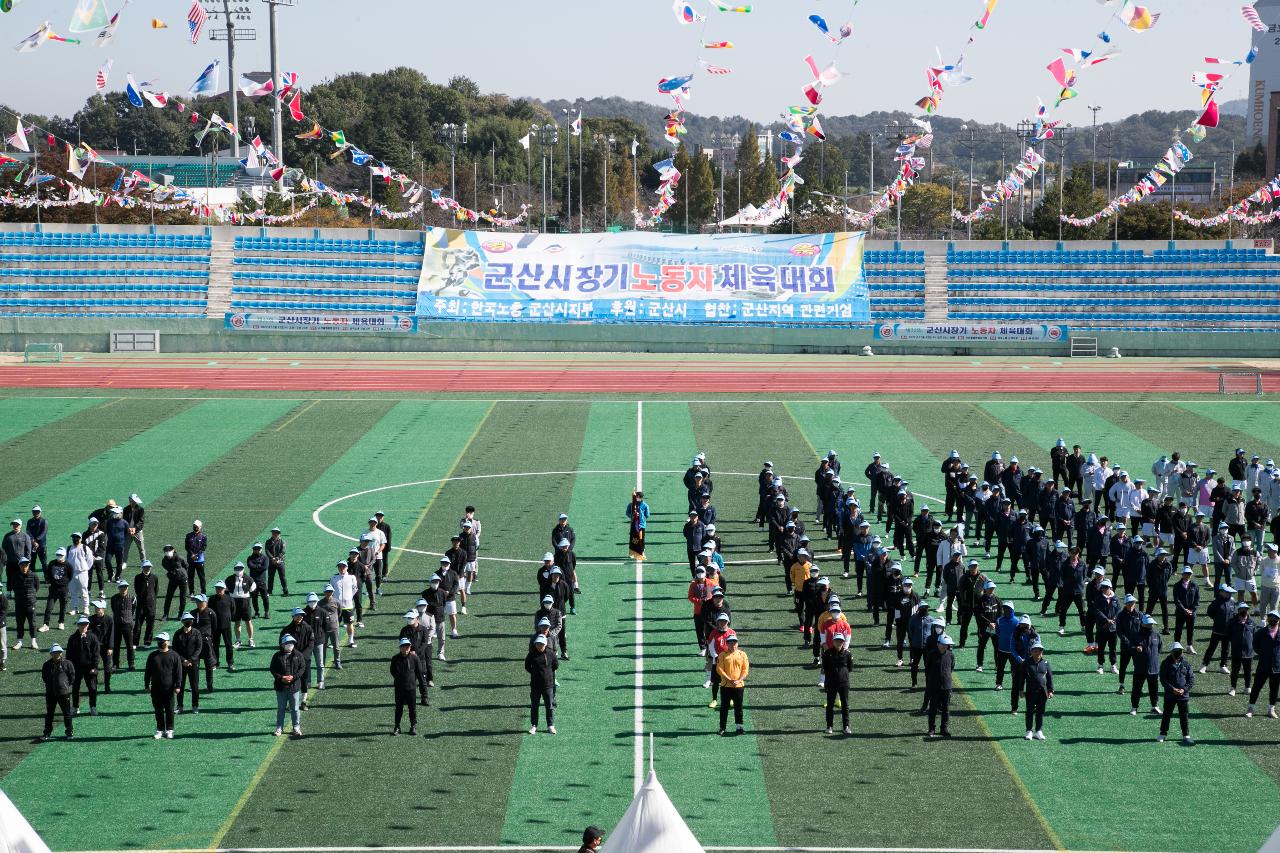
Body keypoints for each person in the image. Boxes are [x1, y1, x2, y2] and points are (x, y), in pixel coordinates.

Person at [144, 633, 181, 739]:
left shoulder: (174, 655)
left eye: (162, 640)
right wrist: (146, 685)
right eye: (159, 641)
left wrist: (178, 686)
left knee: (169, 710)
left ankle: (170, 729)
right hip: (156, 688)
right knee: (158, 710)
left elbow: (178, 672)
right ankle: (160, 729)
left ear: (167, 642)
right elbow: (148, 672)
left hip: (169, 689)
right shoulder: (152, 656)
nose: (160, 643)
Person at [1158, 642, 1195, 744]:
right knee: (1167, 714)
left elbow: (1191, 679)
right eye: (1176, 651)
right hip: (1170, 695)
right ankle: (1163, 733)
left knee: (1184, 716)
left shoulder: (1186, 664)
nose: (1179, 653)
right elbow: (1163, 679)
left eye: (1180, 651)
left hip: (1183, 696)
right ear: (1172, 652)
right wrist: (1172, 689)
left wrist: (1184, 689)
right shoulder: (1165, 663)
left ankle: (1186, 735)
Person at [270, 634, 305, 738]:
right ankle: (279, 728)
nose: (289, 645)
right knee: (281, 708)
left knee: (295, 709)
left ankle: (296, 727)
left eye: (291, 643)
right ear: (282, 645)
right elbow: (273, 669)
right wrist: (281, 678)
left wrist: (293, 677)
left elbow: (302, 668)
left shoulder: (298, 655)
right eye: (287, 643)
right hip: (281, 687)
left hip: (294, 687)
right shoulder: (277, 656)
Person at [1247, 610, 1280, 719]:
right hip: (1263, 665)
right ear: (1268, 618)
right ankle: (1250, 708)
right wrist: (1262, 653)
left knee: (1274, 689)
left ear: (1278, 620)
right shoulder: (1261, 632)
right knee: (1256, 687)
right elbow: (1255, 645)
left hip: (1277, 667)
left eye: (1275, 618)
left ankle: (1271, 710)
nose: (1273, 620)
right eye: (1271, 617)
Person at [390, 637, 426, 735]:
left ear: (410, 647)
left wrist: (424, 692)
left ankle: (413, 726)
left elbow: (419, 674)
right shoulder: (395, 659)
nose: (406, 648)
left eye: (407, 646)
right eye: (403, 646)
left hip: (411, 688)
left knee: (412, 708)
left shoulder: (415, 658)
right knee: (398, 708)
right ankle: (397, 727)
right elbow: (393, 672)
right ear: (400, 647)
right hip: (399, 688)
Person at [40, 643, 76, 741]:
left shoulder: (67, 663)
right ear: (51, 653)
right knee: (49, 714)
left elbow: (72, 676)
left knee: (67, 713)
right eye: (54, 652)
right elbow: (44, 677)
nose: (56, 654)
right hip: (50, 693)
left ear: (61, 653)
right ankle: (47, 732)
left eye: (58, 652)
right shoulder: (46, 665)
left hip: (64, 693)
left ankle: (69, 732)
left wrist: (65, 685)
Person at [66, 615, 100, 716]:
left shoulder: (93, 637)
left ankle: (93, 707)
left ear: (88, 625)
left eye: (85, 624)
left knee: (92, 688)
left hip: (89, 667)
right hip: (76, 668)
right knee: (75, 688)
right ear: (78, 625)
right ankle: (75, 707)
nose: (83, 626)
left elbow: (96, 654)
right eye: (81, 624)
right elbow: (69, 655)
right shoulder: (72, 638)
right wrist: (70, 668)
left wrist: (94, 667)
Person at [716, 631, 749, 736]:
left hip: (739, 686)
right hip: (726, 686)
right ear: (727, 643)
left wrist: (739, 680)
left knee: (738, 707)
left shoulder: (742, 654)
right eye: (730, 642)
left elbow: (745, 669)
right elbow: (719, 669)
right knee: (724, 708)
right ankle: (722, 727)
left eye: (734, 642)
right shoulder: (722, 655)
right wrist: (729, 679)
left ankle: (739, 727)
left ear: (737, 643)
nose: (732, 644)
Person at [924, 633, 955, 738]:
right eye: (943, 644)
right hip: (934, 686)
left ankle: (944, 729)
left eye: (947, 645)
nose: (945, 646)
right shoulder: (931, 654)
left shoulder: (950, 655)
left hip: (946, 687)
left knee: (946, 709)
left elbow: (951, 668)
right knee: (932, 709)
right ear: (938, 644)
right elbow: (927, 669)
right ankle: (931, 729)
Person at [1131, 614, 1163, 716]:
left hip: (1153, 668)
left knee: (1154, 689)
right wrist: (1136, 649)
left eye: (1151, 624)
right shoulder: (1136, 635)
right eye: (1148, 624)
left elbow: (1159, 649)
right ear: (1143, 624)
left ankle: (1154, 706)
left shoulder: (1156, 635)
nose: (1150, 626)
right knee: (1136, 688)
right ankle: (1134, 707)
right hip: (1140, 667)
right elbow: (1130, 647)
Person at [281, 607, 315, 704]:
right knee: (290, 680)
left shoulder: (308, 628)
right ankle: (291, 702)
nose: (300, 617)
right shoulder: (286, 630)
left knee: (304, 680)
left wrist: (302, 656)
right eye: (297, 615)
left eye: (301, 615)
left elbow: (311, 643)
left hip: (304, 659)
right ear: (293, 616)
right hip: (290, 660)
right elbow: (282, 644)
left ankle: (303, 701)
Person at [1021, 640, 1054, 741]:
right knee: (1029, 711)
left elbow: (1049, 678)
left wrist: (1050, 690)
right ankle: (1029, 731)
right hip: (1030, 692)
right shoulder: (1026, 663)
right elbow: (1021, 677)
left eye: (1039, 651)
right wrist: (1020, 690)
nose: (1037, 653)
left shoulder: (1046, 663)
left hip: (1042, 692)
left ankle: (1039, 731)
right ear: (1031, 652)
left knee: (1040, 712)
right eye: (1035, 651)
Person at [821, 632, 853, 735]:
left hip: (844, 683)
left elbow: (850, 668)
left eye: (840, 641)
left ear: (843, 642)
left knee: (845, 705)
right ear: (833, 641)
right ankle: (829, 726)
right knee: (830, 705)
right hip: (831, 683)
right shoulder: (827, 653)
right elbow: (825, 668)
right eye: (836, 640)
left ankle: (846, 726)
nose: (838, 642)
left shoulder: (848, 654)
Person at [526, 633, 558, 734]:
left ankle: (550, 725)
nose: (539, 646)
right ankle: (534, 725)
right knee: (534, 706)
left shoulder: (550, 653)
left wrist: (547, 674)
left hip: (548, 685)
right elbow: (527, 666)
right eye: (538, 644)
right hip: (535, 685)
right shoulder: (531, 654)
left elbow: (555, 665)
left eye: (541, 644)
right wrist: (535, 674)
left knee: (549, 706)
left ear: (545, 644)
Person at [399, 610, 431, 707]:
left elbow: (425, 643)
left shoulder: (424, 629)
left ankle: (424, 698)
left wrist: (416, 652)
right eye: (408, 618)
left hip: (420, 659)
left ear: (417, 619)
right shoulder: (404, 630)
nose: (409, 620)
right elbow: (402, 642)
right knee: (407, 679)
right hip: (408, 659)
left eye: (411, 618)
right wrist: (409, 652)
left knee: (422, 679)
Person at [173, 613, 203, 714]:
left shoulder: (197, 633)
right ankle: (180, 706)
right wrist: (183, 660)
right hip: (181, 664)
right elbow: (175, 649)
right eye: (186, 620)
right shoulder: (177, 634)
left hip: (193, 663)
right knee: (180, 685)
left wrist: (190, 660)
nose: (189, 622)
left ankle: (195, 705)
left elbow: (199, 648)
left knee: (195, 686)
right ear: (183, 622)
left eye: (190, 620)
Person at [306, 592, 334, 690]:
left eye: (314, 601)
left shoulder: (323, 612)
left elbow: (327, 627)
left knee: (320, 663)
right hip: (307, 643)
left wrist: (320, 636)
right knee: (307, 663)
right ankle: (307, 682)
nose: (312, 603)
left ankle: (320, 681)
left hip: (318, 642)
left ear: (317, 601)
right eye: (310, 601)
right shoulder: (303, 613)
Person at [190, 593, 217, 693]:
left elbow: (214, 628)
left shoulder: (211, 613)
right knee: (194, 665)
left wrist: (211, 640)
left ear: (205, 602)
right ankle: (194, 685)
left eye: (199, 601)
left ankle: (210, 685)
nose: (197, 603)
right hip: (195, 643)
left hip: (206, 643)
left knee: (208, 665)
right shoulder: (192, 613)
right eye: (196, 601)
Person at [11, 558, 39, 650]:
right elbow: (13, 586)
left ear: (29, 565)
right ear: (19, 566)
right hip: (19, 604)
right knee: (19, 623)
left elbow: (37, 586)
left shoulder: (34, 575)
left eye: (26, 565)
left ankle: (33, 641)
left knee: (32, 623)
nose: (24, 567)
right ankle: (19, 641)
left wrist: (31, 596)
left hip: (31, 604)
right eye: (22, 565)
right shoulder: (15, 576)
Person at [1228, 602, 1256, 698]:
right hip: (1236, 651)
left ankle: (1247, 687)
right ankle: (1233, 688)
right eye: (1242, 609)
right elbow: (1228, 634)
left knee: (1248, 671)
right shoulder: (1232, 621)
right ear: (1238, 610)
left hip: (1249, 652)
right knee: (1235, 671)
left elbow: (1255, 636)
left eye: (1246, 609)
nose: (1244, 611)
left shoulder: (1252, 622)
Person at [109, 579, 137, 671]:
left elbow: (133, 609)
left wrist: (128, 618)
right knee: (116, 645)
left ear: (127, 588)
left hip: (128, 625)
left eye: (125, 587)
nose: (124, 588)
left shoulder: (132, 598)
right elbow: (114, 609)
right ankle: (115, 664)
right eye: (122, 587)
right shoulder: (114, 598)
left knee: (129, 645)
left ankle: (131, 663)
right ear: (119, 588)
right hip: (117, 624)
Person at [226, 562, 256, 648]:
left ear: (243, 569)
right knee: (237, 622)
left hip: (245, 602)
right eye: (237, 568)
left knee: (248, 621)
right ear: (234, 569)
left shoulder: (249, 579)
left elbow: (252, 589)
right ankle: (238, 640)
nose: (238, 570)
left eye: (240, 568)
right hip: (234, 602)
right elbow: (227, 591)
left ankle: (251, 639)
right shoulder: (229, 579)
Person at [40, 546, 69, 633]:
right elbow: (48, 574)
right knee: (49, 607)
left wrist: (63, 583)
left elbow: (70, 576)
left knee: (63, 607)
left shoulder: (68, 565)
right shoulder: (52, 563)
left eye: (61, 555)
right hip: (53, 589)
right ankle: (46, 624)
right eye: (58, 554)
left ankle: (61, 622)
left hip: (64, 589)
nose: (59, 556)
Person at [330, 561, 359, 650]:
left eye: (343, 567)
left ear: (347, 567)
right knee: (335, 624)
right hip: (336, 607)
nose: (341, 568)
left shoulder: (352, 577)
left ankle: (351, 640)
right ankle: (335, 641)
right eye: (340, 567)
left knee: (350, 624)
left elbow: (355, 589)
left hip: (348, 606)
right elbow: (331, 590)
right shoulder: (333, 578)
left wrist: (348, 597)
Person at [210, 581, 236, 673]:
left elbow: (233, 611)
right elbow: (209, 612)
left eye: (220, 588)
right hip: (215, 627)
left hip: (226, 626)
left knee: (228, 645)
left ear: (224, 589)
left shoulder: (229, 599)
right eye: (217, 588)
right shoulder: (212, 599)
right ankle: (215, 663)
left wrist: (229, 619)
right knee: (215, 645)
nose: (218, 590)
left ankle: (230, 663)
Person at [1172, 567, 1200, 653]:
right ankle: (1176, 646)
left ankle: (1189, 646)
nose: (1187, 575)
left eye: (1189, 574)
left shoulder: (1195, 586)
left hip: (1191, 613)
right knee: (1178, 630)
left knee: (1190, 629)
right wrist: (1184, 609)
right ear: (1182, 574)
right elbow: (1177, 600)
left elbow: (1197, 600)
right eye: (1186, 573)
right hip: (1180, 612)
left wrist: (1192, 610)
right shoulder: (1176, 586)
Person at [133, 559, 159, 647]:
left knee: (150, 624)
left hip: (151, 605)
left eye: (148, 567)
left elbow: (156, 591)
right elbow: (137, 589)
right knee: (138, 624)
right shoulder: (137, 577)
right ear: (142, 567)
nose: (147, 568)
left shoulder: (155, 577)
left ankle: (147, 641)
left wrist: (151, 598)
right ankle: (135, 642)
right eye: (145, 567)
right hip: (140, 604)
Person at [66, 533, 93, 618]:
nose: (75, 539)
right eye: (74, 537)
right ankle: (74, 608)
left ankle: (85, 607)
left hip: (82, 572)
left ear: (80, 539)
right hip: (72, 573)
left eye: (77, 537)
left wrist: (85, 569)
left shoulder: (85, 548)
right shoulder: (69, 548)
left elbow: (90, 560)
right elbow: (67, 560)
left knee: (84, 591)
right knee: (73, 591)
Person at [160, 545, 189, 621]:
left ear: (173, 550)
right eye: (166, 552)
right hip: (173, 579)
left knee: (182, 597)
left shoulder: (179, 558)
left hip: (182, 579)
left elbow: (186, 565)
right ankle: (165, 614)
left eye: (169, 551)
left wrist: (183, 573)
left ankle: (180, 614)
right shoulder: (164, 561)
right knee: (168, 596)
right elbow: (167, 568)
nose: (167, 553)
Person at [247, 543, 271, 619]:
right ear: (253, 549)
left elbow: (265, 567)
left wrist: (256, 567)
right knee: (254, 598)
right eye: (255, 549)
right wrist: (259, 566)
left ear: (261, 549)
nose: (257, 550)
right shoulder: (250, 558)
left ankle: (266, 612)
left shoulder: (265, 558)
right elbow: (250, 566)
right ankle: (257, 612)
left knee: (265, 598)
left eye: (259, 548)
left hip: (262, 582)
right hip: (253, 582)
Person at [185, 520, 208, 595]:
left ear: (200, 527)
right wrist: (192, 554)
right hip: (190, 560)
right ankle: (191, 592)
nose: (195, 527)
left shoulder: (203, 537)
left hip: (200, 560)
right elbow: (187, 547)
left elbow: (203, 548)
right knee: (190, 577)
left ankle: (203, 592)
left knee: (201, 577)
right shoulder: (188, 535)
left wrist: (197, 555)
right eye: (194, 526)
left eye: (197, 526)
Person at [122, 494, 145, 567]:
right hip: (128, 531)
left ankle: (143, 562)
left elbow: (141, 521)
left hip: (138, 531)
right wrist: (128, 528)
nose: (133, 502)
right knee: (125, 547)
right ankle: (124, 562)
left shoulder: (141, 509)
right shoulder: (126, 509)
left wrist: (135, 528)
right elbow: (124, 520)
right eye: (131, 501)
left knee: (141, 548)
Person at [265, 527, 288, 596]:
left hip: (280, 562)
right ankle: (269, 591)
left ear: (279, 534)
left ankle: (285, 591)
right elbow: (267, 550)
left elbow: (283, 551)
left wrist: (277, 558)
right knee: (270, 577)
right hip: (271, 562)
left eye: (276, 533)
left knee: (282, 577)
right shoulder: (268, 541)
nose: (274, 534)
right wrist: (272, 558)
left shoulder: (282, 541)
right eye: (273, 532)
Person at [626, 491, 649, 560]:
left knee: (641, 539)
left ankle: (642, 551)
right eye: (637, 497)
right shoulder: (631, 505)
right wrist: (632, 516)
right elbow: (627, 513)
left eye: (640, 497)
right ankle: (632, 552)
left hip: (641, 526)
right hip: (633, 525)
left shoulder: (645, 505)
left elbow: (647, 515)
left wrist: (641, 518)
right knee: (633, 538)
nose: (638, 498)